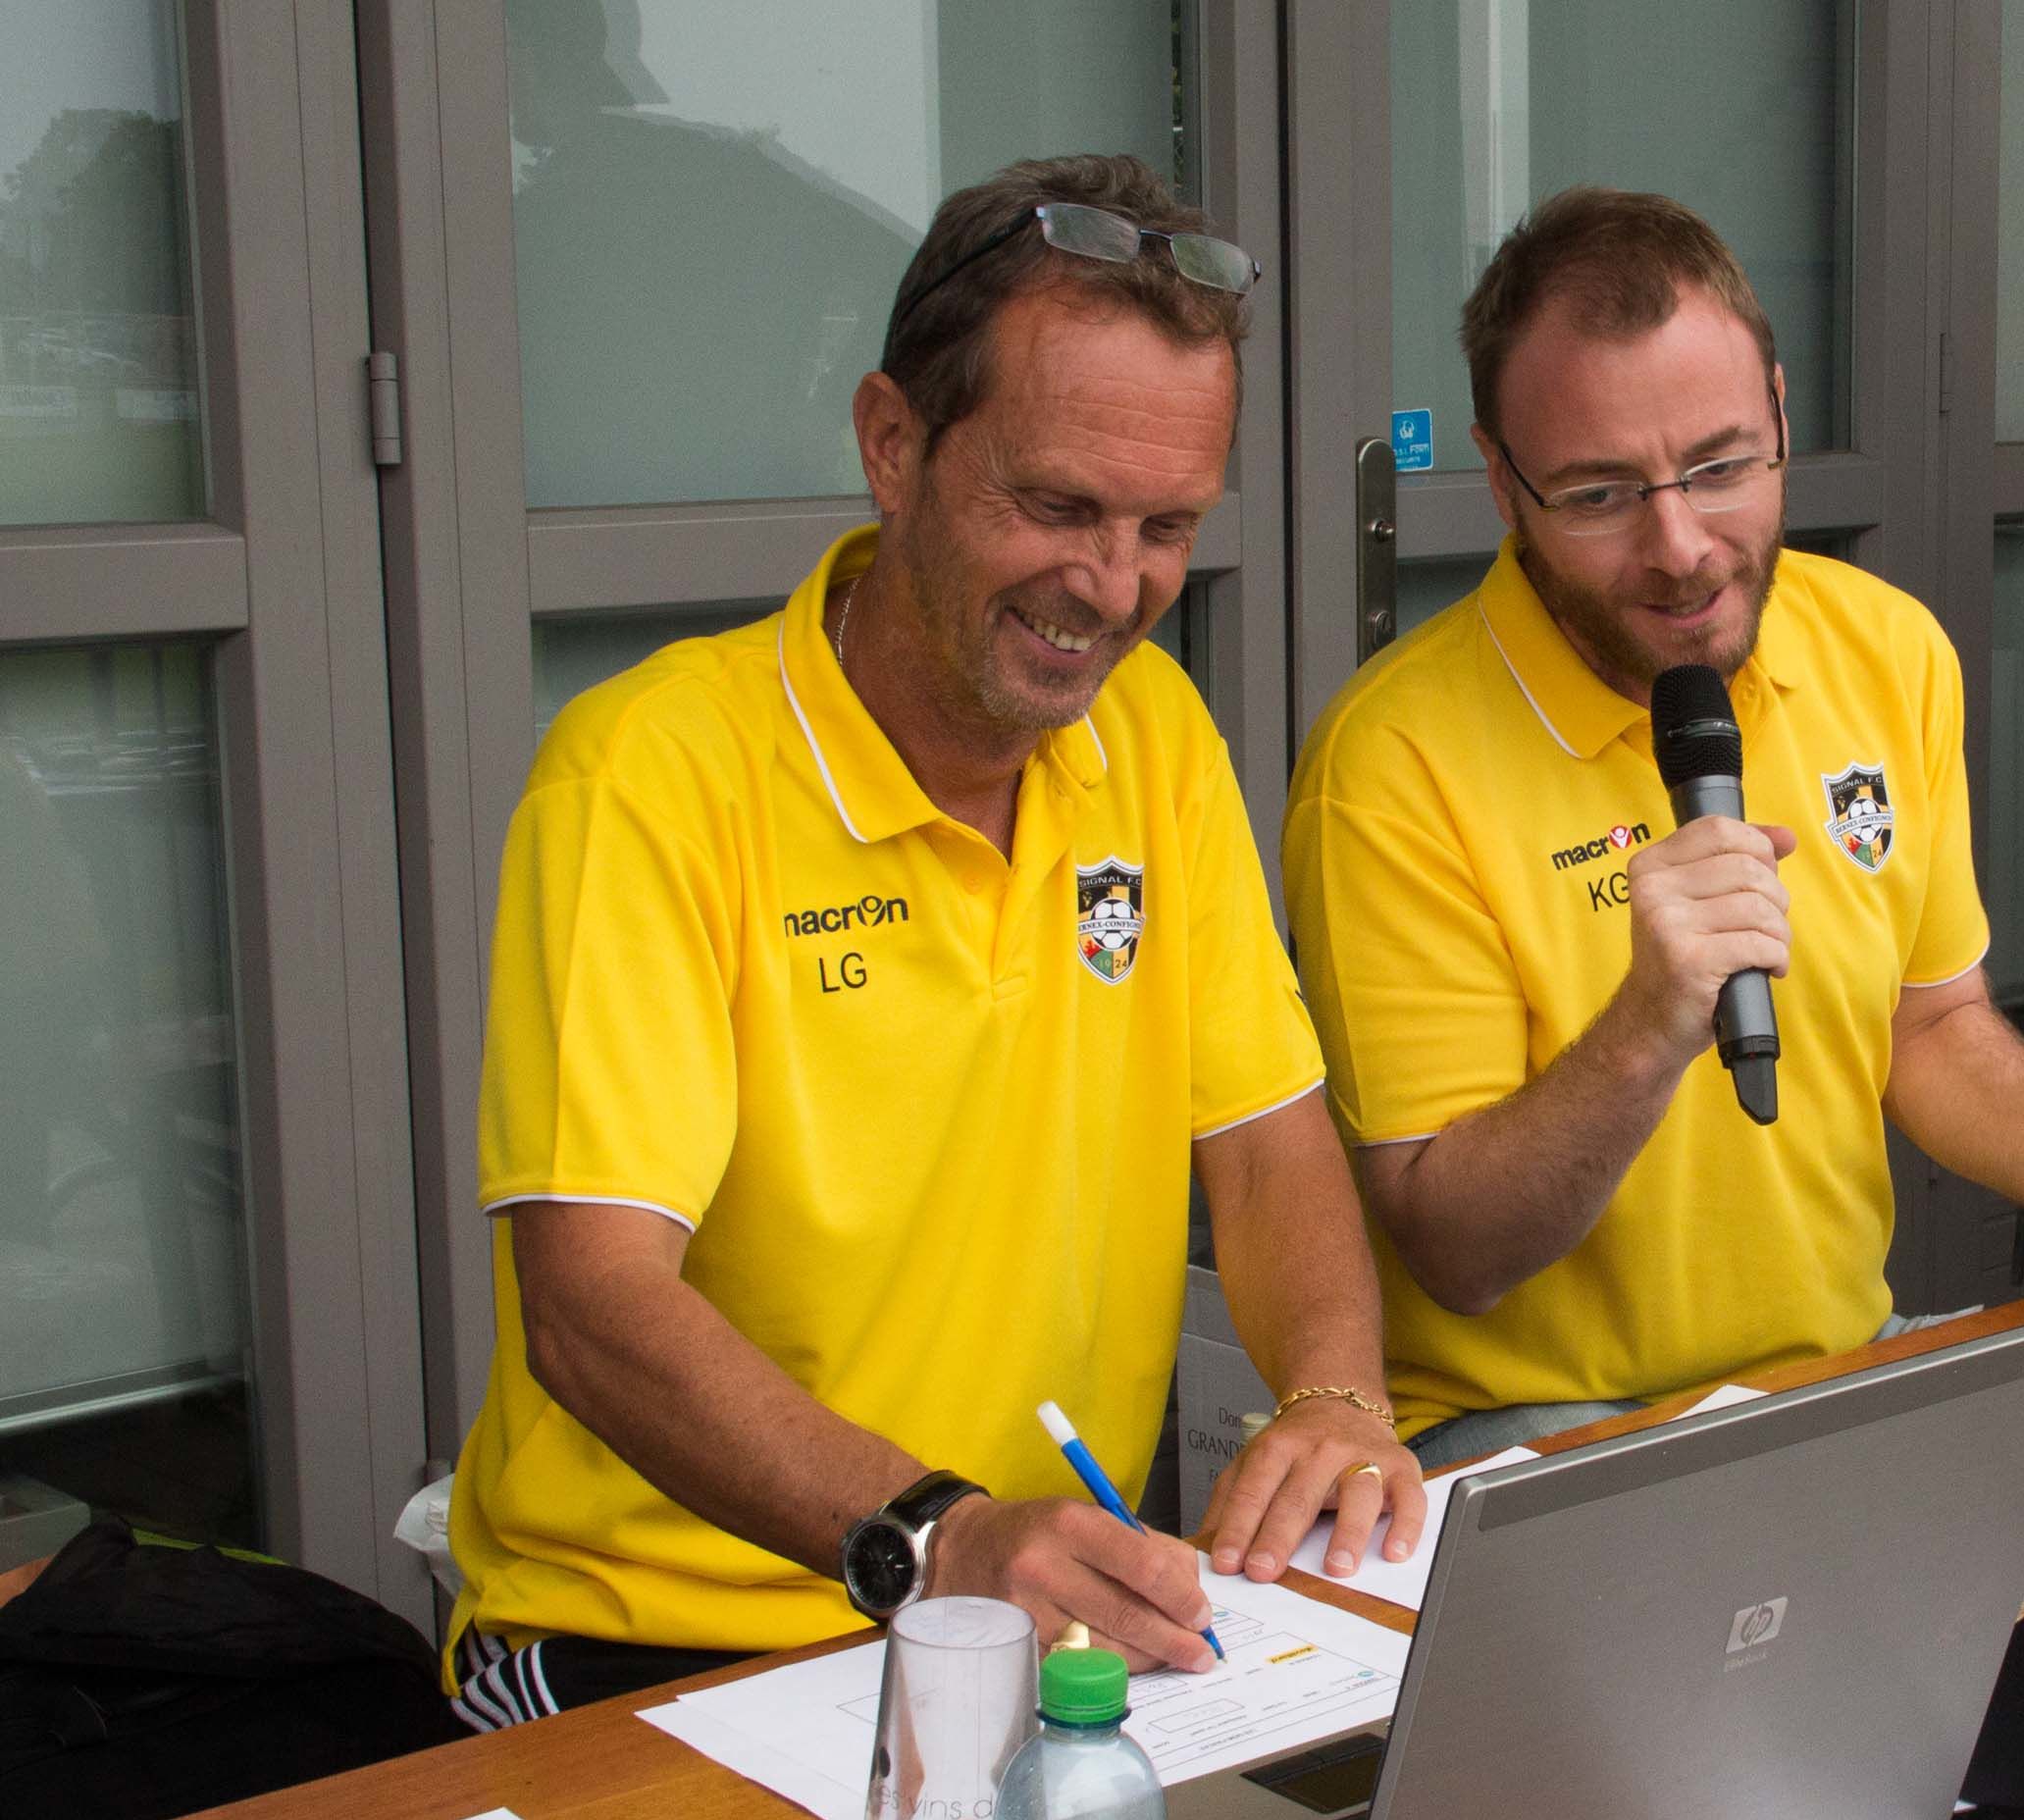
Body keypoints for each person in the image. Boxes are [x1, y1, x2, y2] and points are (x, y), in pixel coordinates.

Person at [443, 156, 1425, 1729]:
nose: (1111, 587)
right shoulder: (648, 773)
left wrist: (1334, 1391)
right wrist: (935, 1533)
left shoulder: (1154, 731)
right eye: (1056, 506)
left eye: (1166, 525)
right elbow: (591, 1306)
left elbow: (1263, 1145)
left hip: (1021, 1620)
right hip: (670, 1641)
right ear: (891, 444)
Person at [1283, 187, 2024, 1465]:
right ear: (1500, 481)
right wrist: (1651, 1023)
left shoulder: (1885, 646)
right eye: (1599, 493)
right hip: (1532, 1431)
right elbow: (1455, 1251)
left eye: (1720, 466)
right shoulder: (1390, 762)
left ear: (1781, 416)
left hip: (1838, 1367)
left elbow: (1929, 1021)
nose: (1681, 545)